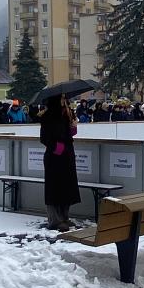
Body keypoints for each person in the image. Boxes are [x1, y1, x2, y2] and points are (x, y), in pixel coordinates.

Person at [39, 93, 80, 231]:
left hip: (67, 156)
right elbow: (45, 138)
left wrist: (73, 126)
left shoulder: (66, 115)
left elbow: (69, 134)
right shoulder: (48, 117)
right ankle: (55, 220)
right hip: (55, 157)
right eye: (62, 99)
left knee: (67, 187)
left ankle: (64, 217)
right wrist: (60, 149)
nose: (64, 101)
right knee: (54, 188)